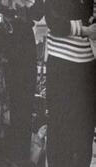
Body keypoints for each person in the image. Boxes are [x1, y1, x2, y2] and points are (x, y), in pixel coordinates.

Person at [0, 0, 45, 166]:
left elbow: (38, 12)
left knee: (23, 101)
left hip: (22, 40)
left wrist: (32, 3)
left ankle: (20, 159)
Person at [45, 0, 96, 167]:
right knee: (60, 125)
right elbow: (53, 21)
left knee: (84, 127)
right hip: (62, 62)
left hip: (88, 63)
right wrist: (83, 30)